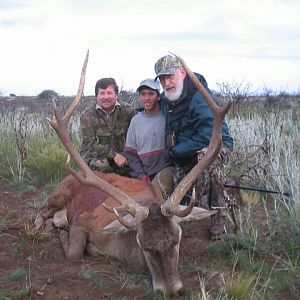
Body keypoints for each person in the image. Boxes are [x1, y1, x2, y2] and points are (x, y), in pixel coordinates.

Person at [154, 55, 234, 239]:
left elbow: (208, 136)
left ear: (182, 73)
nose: (166, 82)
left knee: (207, 161)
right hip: (187, 151)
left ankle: (220, 219)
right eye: (162, 78)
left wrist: (175, 151)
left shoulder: (199, 97)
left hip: (214, 145)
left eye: (170, 76)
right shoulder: (169, 99)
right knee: (182, 188)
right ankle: (215, 198)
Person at [124, 79, 175, 197]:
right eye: (143, 94)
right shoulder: (136, 121)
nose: (147, 98)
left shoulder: (168, 117)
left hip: (166, 168)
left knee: (153, 197)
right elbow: (131, 154)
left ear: (158, 96)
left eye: (151, 94)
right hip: (144, 173)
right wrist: (140, 175)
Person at [80, 77, 134, 176]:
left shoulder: (127, 111)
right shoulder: (87, 116)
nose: (105, 97)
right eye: (102, 93)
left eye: (109, 93)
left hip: (122, 157)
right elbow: (89, 145)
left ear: (116, 95)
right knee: (101, 165)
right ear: (97, 96)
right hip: (96, 156)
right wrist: (113, 155)